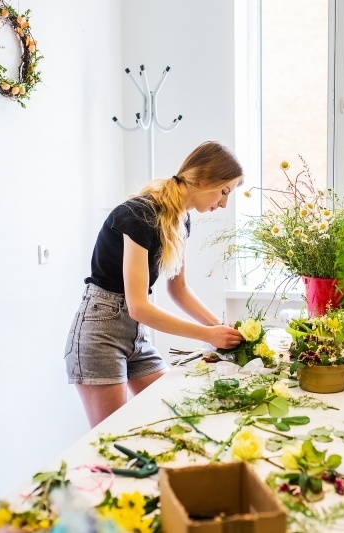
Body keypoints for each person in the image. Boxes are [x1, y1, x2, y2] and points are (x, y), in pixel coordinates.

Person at [65, 141, 244, 427]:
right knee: (112, 439)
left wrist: (220, 330)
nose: (224, 203)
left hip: (136, 336)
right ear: (202, 178)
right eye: (224, 191)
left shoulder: (181, 220)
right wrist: (206, 335)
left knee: (173, 418)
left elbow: (179, 289)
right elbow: (138, 306)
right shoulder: (139, 214)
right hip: (100, 332)